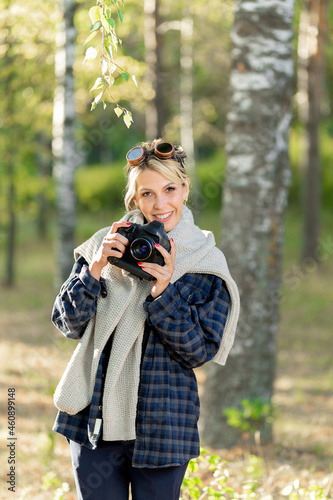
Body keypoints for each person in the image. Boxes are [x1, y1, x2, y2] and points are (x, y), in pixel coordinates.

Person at [51, 139, 240, 500]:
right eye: (147, 193)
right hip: (96, 421)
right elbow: (67, 323)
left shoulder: (205, 264)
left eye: (169, 189)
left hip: (163, 427)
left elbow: (197, 352)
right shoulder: (106, 245)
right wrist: (95, 270)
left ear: (185, 189)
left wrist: (164, 290)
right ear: (135, 200)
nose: (160, 203)